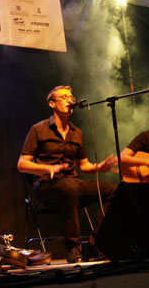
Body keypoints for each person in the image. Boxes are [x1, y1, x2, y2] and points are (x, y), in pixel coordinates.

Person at [17, 85, 117, 263]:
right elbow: (22, 164)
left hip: (72, 183)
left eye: (71, 97)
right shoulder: (39, 129)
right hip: (46, 185)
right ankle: (73, 247)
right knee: (70, 188)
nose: (70, 100)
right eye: (64, 97)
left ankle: (97, 244)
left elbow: (84, 165)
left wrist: (99, 167)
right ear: (52, 103)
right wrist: (47, 169)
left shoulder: (77, 132)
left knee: (115, 190)